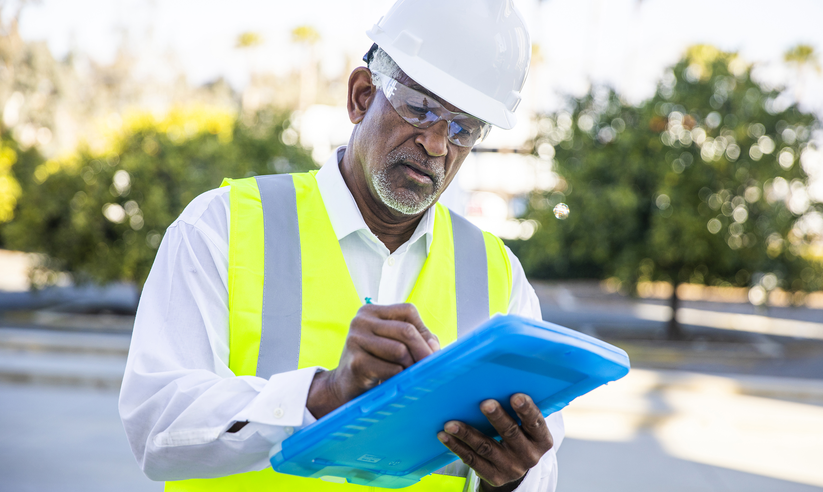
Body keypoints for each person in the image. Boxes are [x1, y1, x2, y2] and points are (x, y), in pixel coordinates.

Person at [119, 1, 565, 491]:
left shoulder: (498, 275)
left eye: (463, 128)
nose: (437, 144)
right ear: (361, 95)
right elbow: (155, 427)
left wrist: (508, 478)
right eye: (421, 108)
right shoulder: (222, 226)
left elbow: (540, 469)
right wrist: (322, 395)